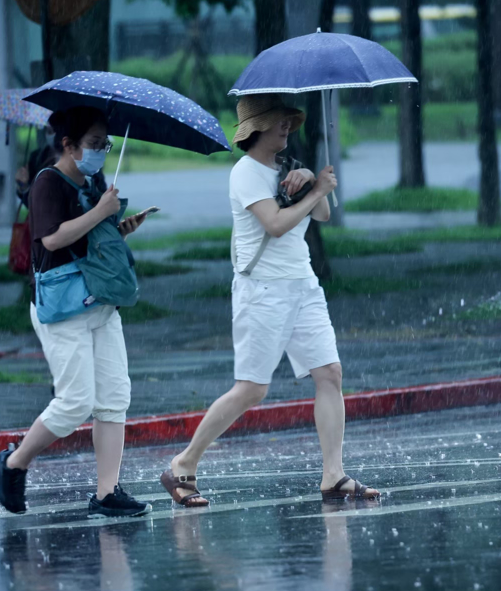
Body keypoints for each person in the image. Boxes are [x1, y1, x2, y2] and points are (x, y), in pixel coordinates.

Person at [159, 94, 380, 506]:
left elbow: (323, 216)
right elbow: (275, 225)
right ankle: (182, 465)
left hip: (303, 286)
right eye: (280, 121)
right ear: (257, 127)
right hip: (262, 291)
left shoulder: (287, 167)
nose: (287, 128)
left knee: (330, 372)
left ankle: (333, 474)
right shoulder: (244, 173)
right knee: (252, 390)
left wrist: (313, 179)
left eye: (289, 122)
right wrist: (317, 192)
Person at [0, 106, 152, 518]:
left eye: (105, 144)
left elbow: (89, 239)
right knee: (76, 401)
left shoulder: (95, 180)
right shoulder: (48, 182)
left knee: (115, 396)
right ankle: (13, 462)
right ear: (68, 145)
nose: (101, 151)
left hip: (99, 298)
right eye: (94, 144)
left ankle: (107, 491)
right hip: (63, 306)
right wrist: (100, 212)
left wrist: (118, 227)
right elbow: (51, 240)